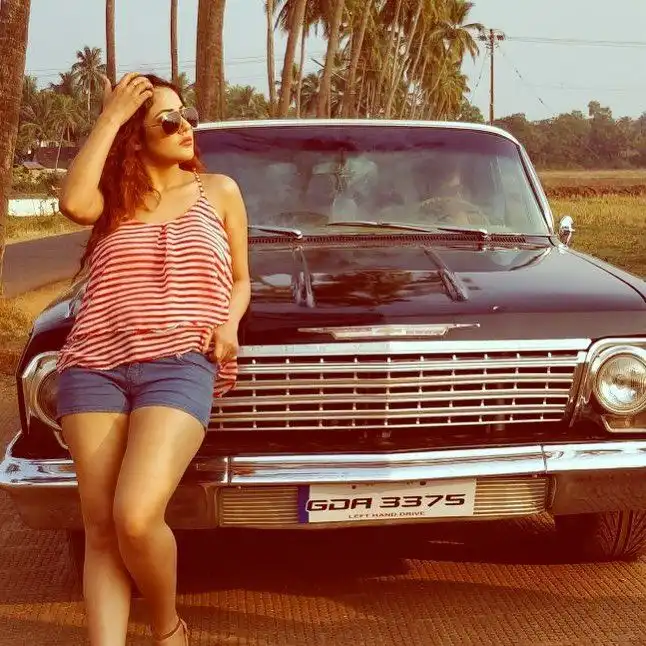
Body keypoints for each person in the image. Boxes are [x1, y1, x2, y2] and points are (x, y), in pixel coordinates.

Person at [56, 72, 251, 646]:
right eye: (167, 120)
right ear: (136, 138)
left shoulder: (219, 191)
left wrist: (230, 323)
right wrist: (110, 115)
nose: (184, 125)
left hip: (179, 360)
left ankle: (166, 627)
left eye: (185, 114)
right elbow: (72, 202)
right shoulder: (114, 198)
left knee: (136, 516)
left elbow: (241, 280)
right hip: (93, 363)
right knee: (99, 529)